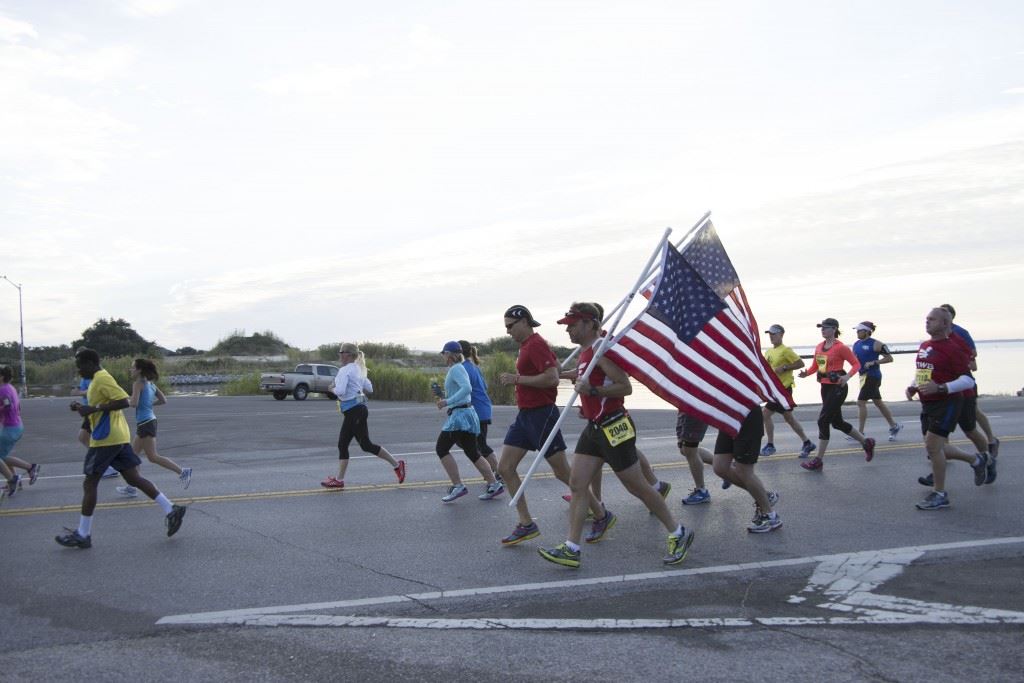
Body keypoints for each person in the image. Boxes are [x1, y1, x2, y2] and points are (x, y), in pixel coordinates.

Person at [537, 303, 694, 568]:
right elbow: (588, 381)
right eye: (568, 326)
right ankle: (572, 548)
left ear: (589, 324)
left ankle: (678, 532)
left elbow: (625, 387)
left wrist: (593, 393)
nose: (569, 331)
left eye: (573, 325)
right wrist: (585, 401)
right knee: (577, 484)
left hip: (614, 427)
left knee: (637, 486)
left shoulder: (601, 349)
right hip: (595, 427)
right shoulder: (586, 352)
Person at [496, 305, 605, 546]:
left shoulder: (535, 344)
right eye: (506, 328)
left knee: (563, 472)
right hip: (525, 416)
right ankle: (526, 523)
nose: (508, 332)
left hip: (541, 414)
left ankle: (601, 514)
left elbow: (552, 378)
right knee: (505, 467)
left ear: (524, 321)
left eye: (511, 326)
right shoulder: (527, 346)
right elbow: (556, 369)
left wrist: (516, 379)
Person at [56, 348, 186, 549]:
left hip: (106, 439)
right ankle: (171, 509)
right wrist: (83, 408)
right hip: (117, 436)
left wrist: (95, 409)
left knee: (90, 484)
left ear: (91, 363)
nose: (79, 370)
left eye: (80, 365)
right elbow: (101, 405)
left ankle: (83, 534)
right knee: (134, 478)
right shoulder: (96, 380)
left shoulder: (101, 378)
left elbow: (125, 401)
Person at [907, 308, 989, 510]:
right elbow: (923, 371)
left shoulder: (952, 348)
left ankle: (940, 493)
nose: (927, 322)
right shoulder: (925, 346)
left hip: (948, 403)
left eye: (932, 320)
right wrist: (913, 385)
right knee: (936, 448)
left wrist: (942, 388)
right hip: (928, 403)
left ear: (945, 324)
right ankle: (975, 460)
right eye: (926, 319)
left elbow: (968, 380)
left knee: (933, 447)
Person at [321, 342, 405, 489]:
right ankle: (397, 465)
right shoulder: (359, 369)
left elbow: (340, 391)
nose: (339, 355)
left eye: (341, 352)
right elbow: (370, 388)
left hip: (354, 411)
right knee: (365, 445)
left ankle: (339, 480)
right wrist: (356, 389)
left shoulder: (345, 370)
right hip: (359, 410)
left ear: (349, 354)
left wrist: (331, 389)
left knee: (344, 444)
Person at [796, 318, 876, 471]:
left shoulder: (841, 347)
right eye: (821, 327)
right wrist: (806, 373)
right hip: (825, 387)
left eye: (825, 327)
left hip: (838, 387)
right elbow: (816, 366)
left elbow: (856, 364)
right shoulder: (819, 346)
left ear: (834, 329)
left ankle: (818, 460)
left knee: (823, 420)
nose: (822, 330)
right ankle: (866, 442)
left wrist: (847, 377)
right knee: (837, 422)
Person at [434, 342, 504, 502]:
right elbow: (463, 390)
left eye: (444, 353)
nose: (443, 357)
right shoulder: (463, 367)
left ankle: (458, 486)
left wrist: (447, 401)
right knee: (473, 451)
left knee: (441, 448)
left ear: (450, 354)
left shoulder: (456, 368)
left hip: (460, 416)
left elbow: (467, 389)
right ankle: (494, 484)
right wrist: (444, 396)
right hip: (467, 413)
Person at [115, 359, 192, 498]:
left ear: (139, 370)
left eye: (133, 368)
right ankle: (132, 487)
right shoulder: (151, 384)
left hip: (145, 423)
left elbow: (133, 403)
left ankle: (183, 472)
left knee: (153, 457)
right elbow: (163, 400)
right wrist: (149, 406)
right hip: (148, 421)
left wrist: (120, 400)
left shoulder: (138, 384)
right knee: (133, 456)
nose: (130, 370)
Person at [940, 304, 1000, 481]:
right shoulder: (933, 341)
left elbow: (972, 363)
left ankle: (988, 450)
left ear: (949, 319)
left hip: (961, 390)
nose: (929, 322)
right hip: (942, 395)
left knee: (970, 426)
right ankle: (938, 472)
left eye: (936, 318)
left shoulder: (959, 335)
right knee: (937, 436)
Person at [713, 406, 782, 533]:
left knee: (744, 471)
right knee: (720, 467)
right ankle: (764, 495)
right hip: (728, 419)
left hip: (747, 420)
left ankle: (770, 516)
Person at [759, 324, 816, 458]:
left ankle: (770, 445)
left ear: (781, 335)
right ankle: (807, 442)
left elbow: (800, 363)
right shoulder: (768, 352)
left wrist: (785, 367)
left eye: (774, 334)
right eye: (770, 334)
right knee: (788, 418)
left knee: (765, 414)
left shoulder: (786, 350)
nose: (771, 336)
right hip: (774, 390)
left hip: (784, 389)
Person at [850, 322, 902, 441]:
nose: (857, 332)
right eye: (857, 331)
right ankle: (894, 426)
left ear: (867, 331)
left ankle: (860, 433)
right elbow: (854, 360)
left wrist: (874, 362)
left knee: (860, 402)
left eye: (859, 330)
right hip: (863, 377)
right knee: (878, 402)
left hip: (873, 376)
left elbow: (889, 358)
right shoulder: (856, 344)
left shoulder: (876, 344)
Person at [458, 340, 501, 478]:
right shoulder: (473, 366)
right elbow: (484, 387)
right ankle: (493, 472)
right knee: (471, 443)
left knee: (480, 445)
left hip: (478, 412)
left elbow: (464, 391)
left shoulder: (464, 368)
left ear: (458, 353)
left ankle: (500, 474)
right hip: (482, 409)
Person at [1, 365, 41, 497]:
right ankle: (16, 478)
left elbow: (7, 406)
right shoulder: (10, 387)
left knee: (1, 457)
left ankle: (16, 477)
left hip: (11, 428)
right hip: (15, 426)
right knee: (3, 456)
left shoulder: (3, 390)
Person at [676, 412, 718, 505]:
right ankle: (725, 469)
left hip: (694, 409)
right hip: (684, 409)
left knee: (690, 450)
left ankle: (701, 491)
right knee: (684, 449)